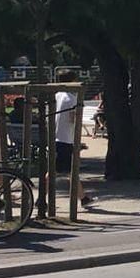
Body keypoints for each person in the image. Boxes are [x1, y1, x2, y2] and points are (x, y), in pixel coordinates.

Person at [50, 71, 92, 208]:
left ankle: (83, 197)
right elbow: (73, 119)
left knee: (60, 170)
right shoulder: (72, 99)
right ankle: (82, 198)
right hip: (66, 138)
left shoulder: (56, 96)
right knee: (67, 171)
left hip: (56, 136)